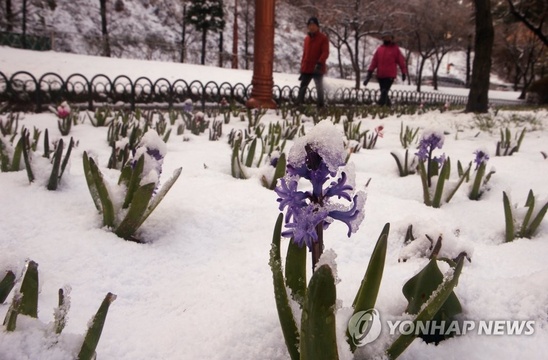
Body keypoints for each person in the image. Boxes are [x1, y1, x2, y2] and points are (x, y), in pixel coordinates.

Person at [363, 32, 408, 106]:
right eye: (385, 37)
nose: (387, 39)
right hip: (380, 75)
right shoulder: (380, 49)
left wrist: (403, 72)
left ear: (391, 39)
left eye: (388, 37)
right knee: (384, 92)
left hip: (390, 75)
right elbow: (374, 62)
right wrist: (369, 73)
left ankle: (380, 105)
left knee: (384, 91)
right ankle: (388, 106)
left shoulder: (395, 49)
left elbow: (401, 61)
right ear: (383, 38)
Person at [296, 17, 330, 108]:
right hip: (307, 67)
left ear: (318, 27)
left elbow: (325, 52)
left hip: (317, 68)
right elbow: (305, 54)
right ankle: (299, 104)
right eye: (310, 25)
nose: (312, 27)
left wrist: (320, 62)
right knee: (303, 87)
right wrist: (302, 68)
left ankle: (320, 106)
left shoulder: (323, 38)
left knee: (319, 88)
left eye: (314, 25)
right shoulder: (306, 39)